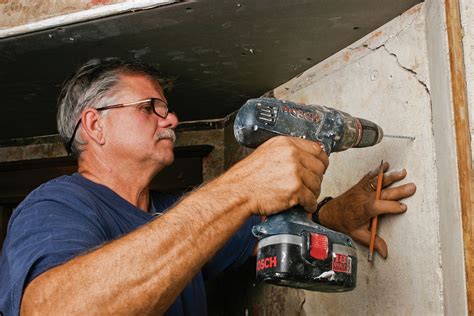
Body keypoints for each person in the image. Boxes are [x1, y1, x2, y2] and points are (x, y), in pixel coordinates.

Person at [0, 58, 416, 315]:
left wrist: (332, 214)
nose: (172, 120)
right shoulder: (55, 206)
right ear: (94, 125)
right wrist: (238, 187)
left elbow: (259, 236)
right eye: (151, 108)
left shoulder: (173, 210)